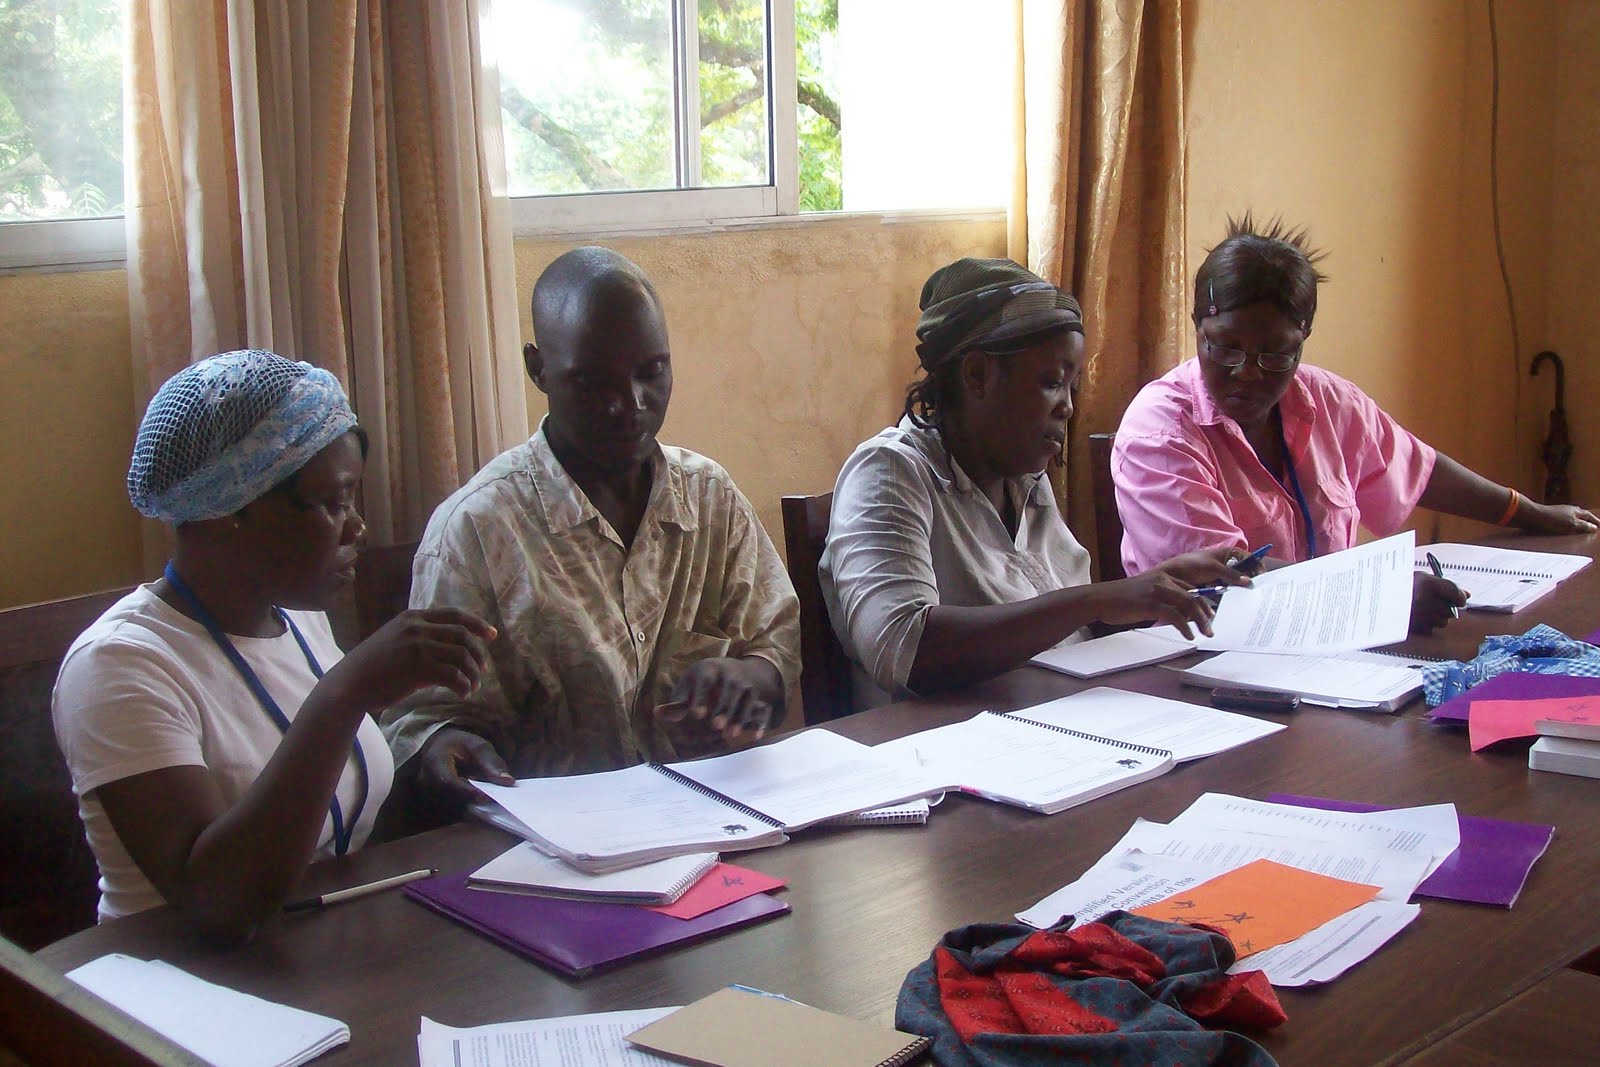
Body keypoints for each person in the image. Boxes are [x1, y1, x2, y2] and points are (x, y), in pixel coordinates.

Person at [52, 350, 494, 942]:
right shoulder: (120, 665)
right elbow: (216, 901)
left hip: (318, 949)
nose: (357, 527)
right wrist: (347, 693)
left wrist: (428, 758)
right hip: (181, 977)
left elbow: (335, 812)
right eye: (335, 502)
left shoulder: (298, 620)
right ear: (231, 508)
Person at [382, 247, 800, 804]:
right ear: (538, 369)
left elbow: (777, 642)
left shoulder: (709, 498)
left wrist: (754, 679)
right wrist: (445, 746)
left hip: (717, 813)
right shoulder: (478, 532)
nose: (629, 404)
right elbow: (422, 725)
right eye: (592, 381)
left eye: (652, 372)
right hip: (552, 837)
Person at [1112, 214, 1599, 632]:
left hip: (1332, 642)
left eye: (1276, 354)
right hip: (1203, 651)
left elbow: (1416, 468)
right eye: (1225, 347)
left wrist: (1528, 512)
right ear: (1197, 327)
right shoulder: (1161, 430)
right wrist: (1380, 596)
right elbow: (1220, 577)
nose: (1249, 371)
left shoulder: (1323, 399)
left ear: (1303, 341)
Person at [819, 257, 1249, 709]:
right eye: (1052, 382)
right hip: (941, 743)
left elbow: (1065, 633)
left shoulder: (1023, 477)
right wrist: (1093, 601)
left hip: (1052, 723)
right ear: (977, 375)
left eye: (1072, 387)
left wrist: (1161, 589)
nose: (1067, 407)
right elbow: (904, 648)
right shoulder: (889, 472)